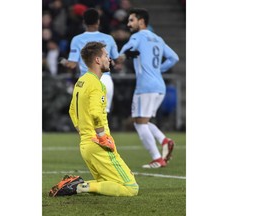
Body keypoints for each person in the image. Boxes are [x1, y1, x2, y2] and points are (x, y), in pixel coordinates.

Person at [49, 42, 139, 197]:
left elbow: (72, 111)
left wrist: (84, 132)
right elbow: (96, 113)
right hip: (98, 144)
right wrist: (102, 136)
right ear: (97, 60)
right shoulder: (97, 84)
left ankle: (75, 185)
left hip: (86, 144)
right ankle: (77, 187)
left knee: (106, 181)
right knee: (131, 188)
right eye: (105, 55)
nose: (109, 59)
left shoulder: (81, 81)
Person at [119, 8, 179, 168]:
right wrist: (159, 69)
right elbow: (174, 57)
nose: (128, 24)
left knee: (139, 123)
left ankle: (157, 158)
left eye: (131, 20)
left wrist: (120, 56)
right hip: (159, 86)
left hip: (145, 87)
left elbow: (127, 48)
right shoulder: (158, 38)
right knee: (143, 121)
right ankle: (164, 141)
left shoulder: (137, 36)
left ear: (141, 21)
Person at [59, 8, 133, 113]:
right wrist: (126, 55)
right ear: (98, 21)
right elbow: (118, 60)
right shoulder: (109, 38)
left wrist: (62, 61)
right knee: (102, 117)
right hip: (105, 80)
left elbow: (72, 65)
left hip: (87, 81)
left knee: (86, 118)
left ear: (84, 22)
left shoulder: (77, 39)